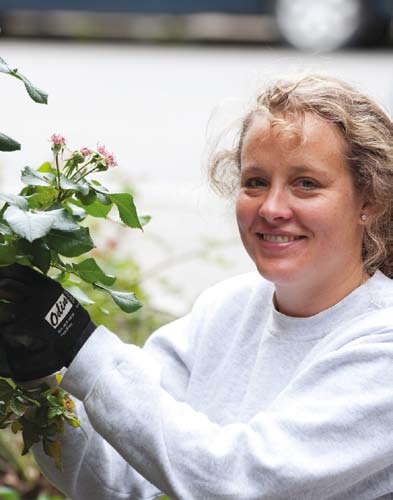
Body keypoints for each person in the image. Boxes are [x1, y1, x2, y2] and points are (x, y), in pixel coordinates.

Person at [0, 73, 393, 500]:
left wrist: (79, 342)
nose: (273, 208)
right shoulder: (223, 309)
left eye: (306, 184)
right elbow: (118, 481)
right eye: (256, 182)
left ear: (369, 201)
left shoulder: (382, 344)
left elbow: (240, 482)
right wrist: (41, 375)